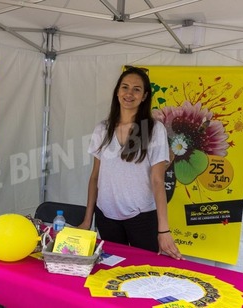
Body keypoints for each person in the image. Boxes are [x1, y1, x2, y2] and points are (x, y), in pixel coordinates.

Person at [78, 66, 183, 260]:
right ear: (117, 92)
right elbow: (95, 178)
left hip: (141, 217)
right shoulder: (103, 129)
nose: (129, 93)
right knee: (111, 271)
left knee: (144, 271)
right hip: (106, 216)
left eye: (136, 89)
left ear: (144, 96)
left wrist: (164, 231)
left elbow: (158, 180)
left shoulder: (154, 129)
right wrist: (87, 220)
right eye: (125, 87)